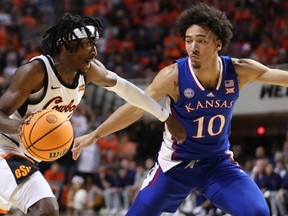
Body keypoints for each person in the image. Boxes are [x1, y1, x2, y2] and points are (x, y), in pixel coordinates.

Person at [71, 3, 288, 215]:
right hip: (175, 165)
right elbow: (136, 107)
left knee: (258, 211)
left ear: (218, 45)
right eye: (189, 40)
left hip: (217, 162)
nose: (193, 47)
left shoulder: (239, 70)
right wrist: (95, 134)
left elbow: (279, 77)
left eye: (201, 41)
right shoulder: (173, 76)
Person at [0, 13, 186, 216]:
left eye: (95, 43)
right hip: (5, 149)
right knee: (46, 209)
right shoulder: (36, 71)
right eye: (88, 44)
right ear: (68, 46)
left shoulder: (89, 71)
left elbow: (128, 91)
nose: (94, 51)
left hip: (27, 156)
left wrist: (164, 116)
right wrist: (22, 128)